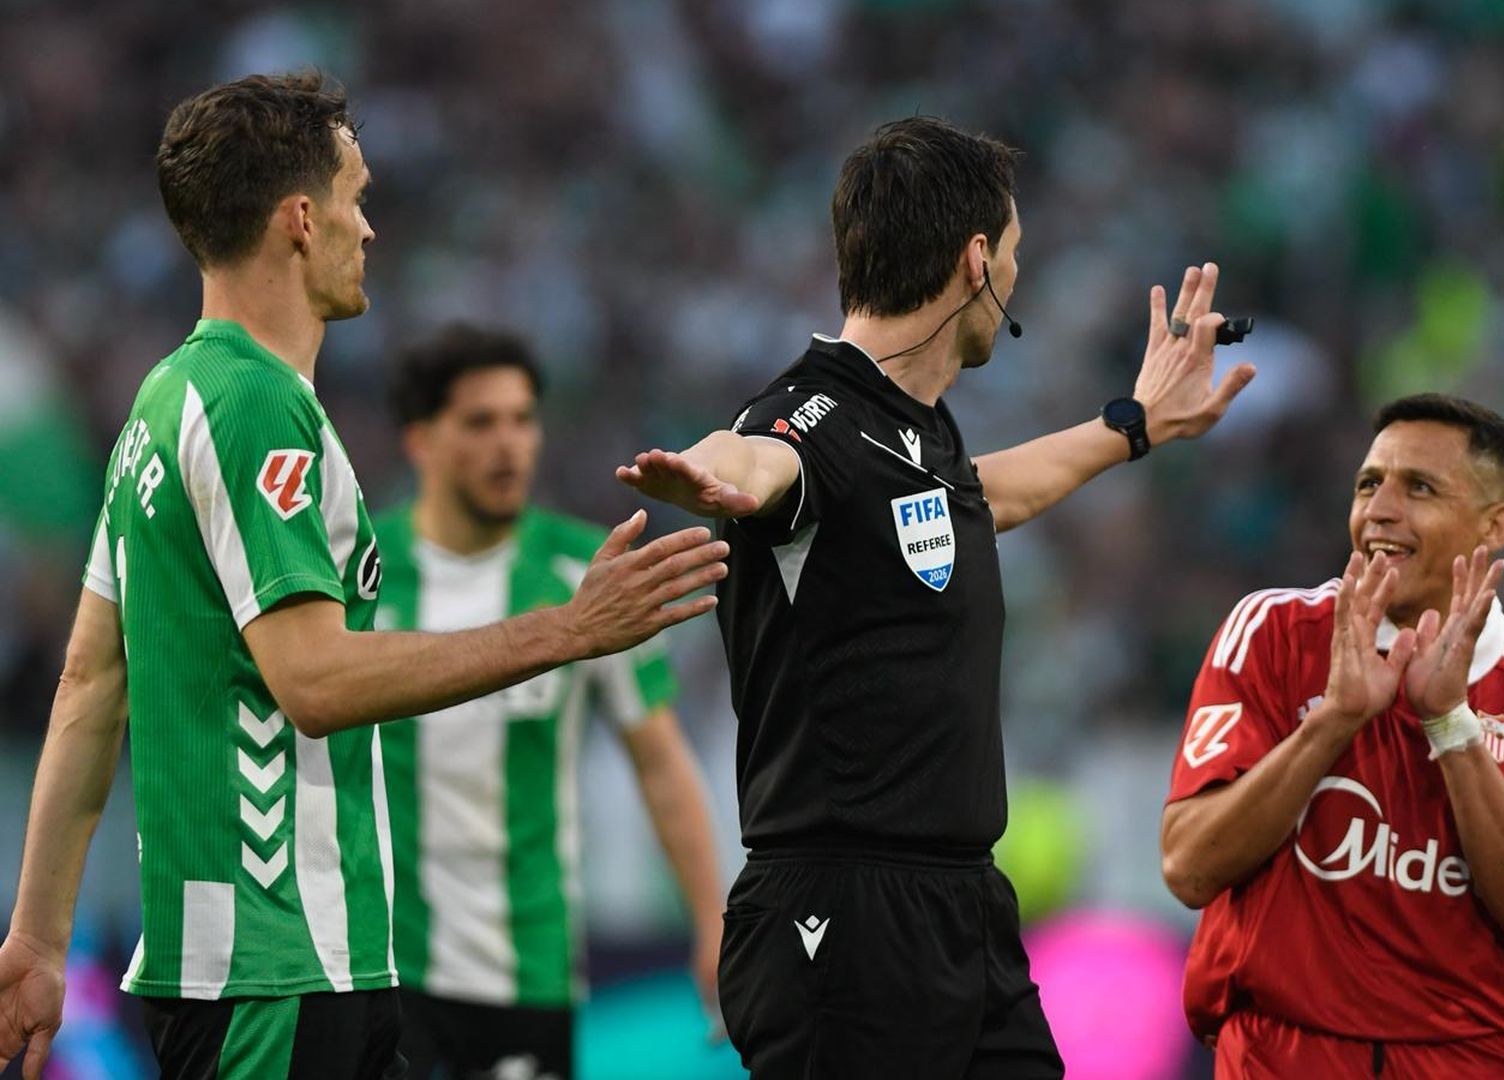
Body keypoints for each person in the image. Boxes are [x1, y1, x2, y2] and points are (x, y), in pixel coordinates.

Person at [0, 73, 727, 1080]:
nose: (369, 227)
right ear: (300, 219)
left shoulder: (157, 412)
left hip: (243, 967)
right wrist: (565, 630)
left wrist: (36, 941)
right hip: (280, 963)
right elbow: (317, 682)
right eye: (356, 195)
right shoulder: (259, 408)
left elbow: (89, 686)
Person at [616, 116, 1256, 1078]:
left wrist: (1134, 423)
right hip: (839, 907)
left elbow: (985, 499)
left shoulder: (916, 435)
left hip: (963, 909)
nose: (1017, 278)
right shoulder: (812, 414)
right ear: (975, 261)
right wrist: (707, 476)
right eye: (1016, 252)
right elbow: (757, 454)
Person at [1159, 393, 1504, 1078]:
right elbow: (1189, 866)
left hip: (1473, 1058)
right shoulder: (1272, 634)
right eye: (1369, 483)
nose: (1379, 510)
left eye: (1419, 488)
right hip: (1282, 1051)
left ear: (1494, 527)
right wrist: (1334, 721)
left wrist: (1451, 724)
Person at [373, 324, 728, 1079]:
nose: (510, 444)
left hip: (528, 970)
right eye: (480, 421)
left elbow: (660, 760)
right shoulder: (358, 577)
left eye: (523, 418)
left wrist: (712, 919)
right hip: (381, 974)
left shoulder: (587, 572)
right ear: (421, 442)